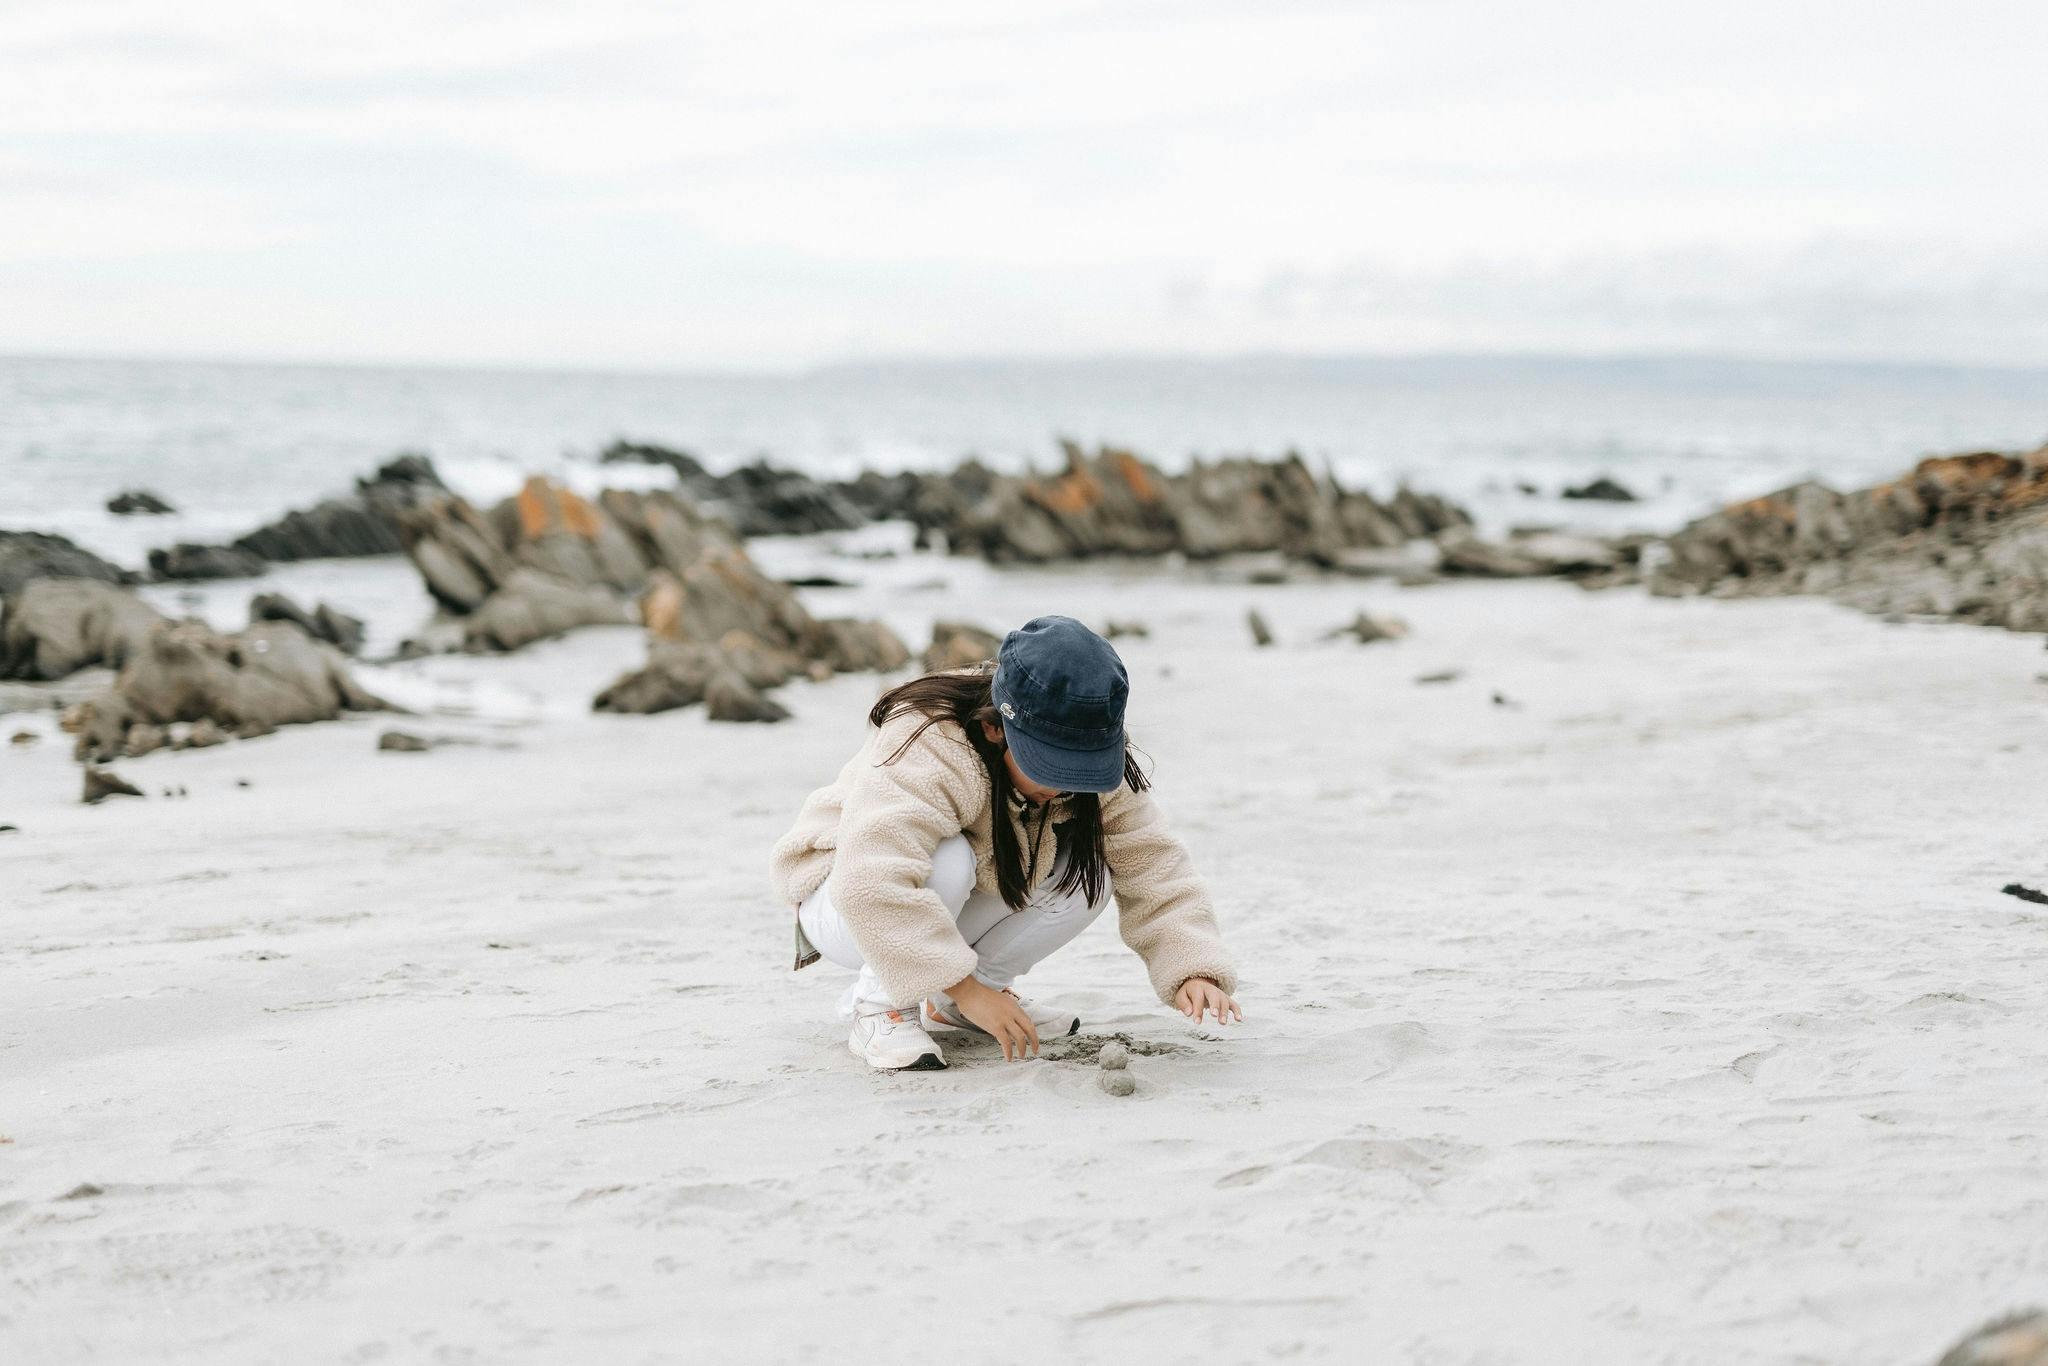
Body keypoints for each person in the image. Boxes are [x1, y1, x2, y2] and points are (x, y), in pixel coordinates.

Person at [769, 615, 1241, 1072]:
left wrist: (1192, 968)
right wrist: (967, 989)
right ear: (996, 728)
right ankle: (881, 1006)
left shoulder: (1091, 747)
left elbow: (1153, 863)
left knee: (1091, 874)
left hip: (943, 902)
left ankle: (959, 1003)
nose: (1065, 785)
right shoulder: (930, 741)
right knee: (948, 860)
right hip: (844, 904)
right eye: (1049, 764)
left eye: (1080, 768)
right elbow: (869, 881)